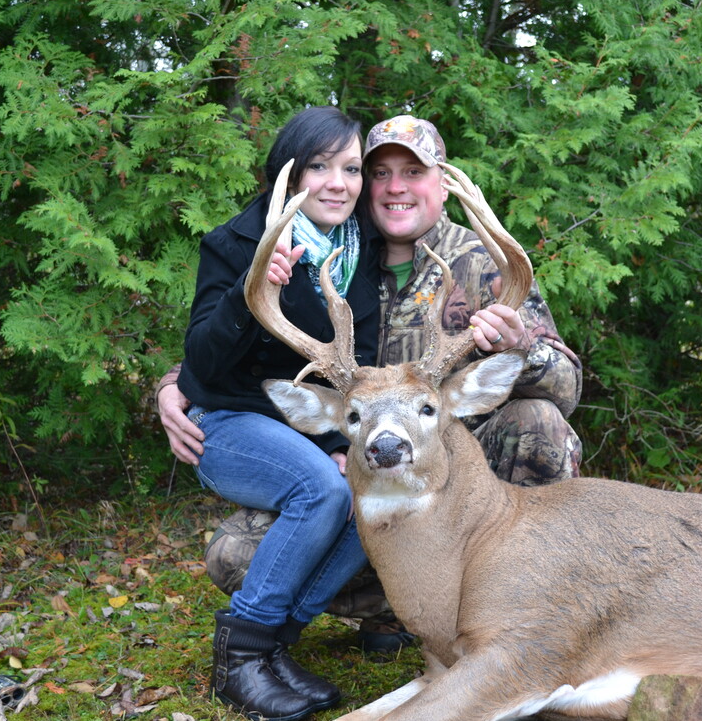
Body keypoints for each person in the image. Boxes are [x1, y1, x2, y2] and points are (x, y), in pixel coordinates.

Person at [159, 114, 583, 651]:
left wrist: (520, 346)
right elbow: (258, 355)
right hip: (373, 466)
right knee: (236, 555)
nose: (396, 187)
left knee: (538, 423)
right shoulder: (339, 261)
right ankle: (392, 610)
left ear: (443, 186)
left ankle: (527, 603)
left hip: (461, 476)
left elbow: (568, 388)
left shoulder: (482, 264)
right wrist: (173, 385)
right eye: (380, 173)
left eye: (414, 171)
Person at [178, 106, 381, 721]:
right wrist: (250, 290)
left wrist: (340, 441)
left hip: (311, 428)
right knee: (319, 490)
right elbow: (203, 364)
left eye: (350, 168)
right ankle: (238, 656)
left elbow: (357, 358)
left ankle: (275, 646)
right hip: (227, 423)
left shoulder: (361, 246)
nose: (337, 183)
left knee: (364, 491)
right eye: (319, 166)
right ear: (288, 175)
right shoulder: (237, 242)